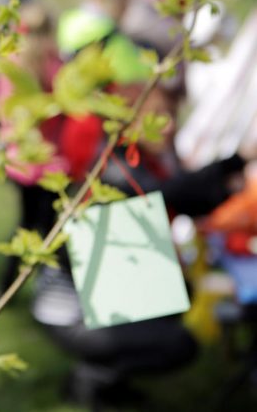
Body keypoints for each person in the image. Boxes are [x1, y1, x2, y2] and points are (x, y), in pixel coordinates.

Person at [33, 69, 251, 406]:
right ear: (129, 119)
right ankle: (93, 377)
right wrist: (236, 160)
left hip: (103, 297)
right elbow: (166, 194)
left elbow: (187, 198)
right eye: (157, 117)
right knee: (178, 343)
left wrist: (227, 180)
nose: (169, 125)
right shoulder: (113, 168)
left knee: (179, 297)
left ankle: (110, 376)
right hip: (71, 312)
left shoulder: (149, 160)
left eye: (171, 117)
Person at [0, 2, 67, 295]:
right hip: (39, 160)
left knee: (35, 224)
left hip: (32, 160)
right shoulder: (36, 64)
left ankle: (19, 285)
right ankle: (16, 285)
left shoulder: (27, 61)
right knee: (37, 227)